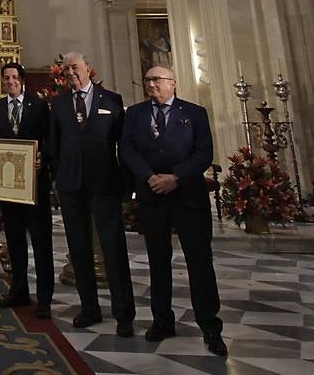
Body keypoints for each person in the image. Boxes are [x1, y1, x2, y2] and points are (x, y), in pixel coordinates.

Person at [121, 66, 226, 355]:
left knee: (200, 262)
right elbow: (127, 150)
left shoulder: (194, 112)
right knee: (157, 260)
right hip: (153, 195)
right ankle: (161, 320)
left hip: (188, 195)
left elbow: (204, 152)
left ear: (173, 83)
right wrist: (149, 177)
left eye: (157, 80)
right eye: (148, 80)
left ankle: (210, 326)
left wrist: (176, 177)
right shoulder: (135, 114)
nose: (152, 84)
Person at [48, 53, 134, 332]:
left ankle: (123, 313)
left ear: (89, 70)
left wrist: (126, 185)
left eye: (76, 67)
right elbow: (54, 145)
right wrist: (57, 177)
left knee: (113, 249)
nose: (71, 72)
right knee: (79, 249)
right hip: (71, 185)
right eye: (67, 68)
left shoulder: (111, 100)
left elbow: (124, 144)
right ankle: (89, 308)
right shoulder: (59, 103)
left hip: (104, 183)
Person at [0, 62, 54, 318]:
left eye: (14, 77)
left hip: (35, 186)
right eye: (6, 78)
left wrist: (42, 157)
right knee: (15, 242)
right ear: (2, 81)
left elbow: (49, 139)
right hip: (9, 188)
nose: (11, 81)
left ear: (22, 80)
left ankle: (45, 299)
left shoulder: (39, 106)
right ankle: (19, 291)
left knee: (41, 242)